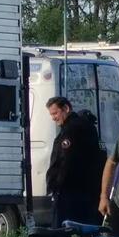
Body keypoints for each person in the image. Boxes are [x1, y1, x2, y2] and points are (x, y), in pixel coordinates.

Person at [45, 97, 105, 228]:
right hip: (89, 190)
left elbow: (64, 159)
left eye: (55, 113)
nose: (53, 118)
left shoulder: (71, 129)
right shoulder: (87, 127)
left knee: (60, 231)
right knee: (87, 229)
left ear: (66, 108)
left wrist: (55, 184)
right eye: (51, 115)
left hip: (70, 190)